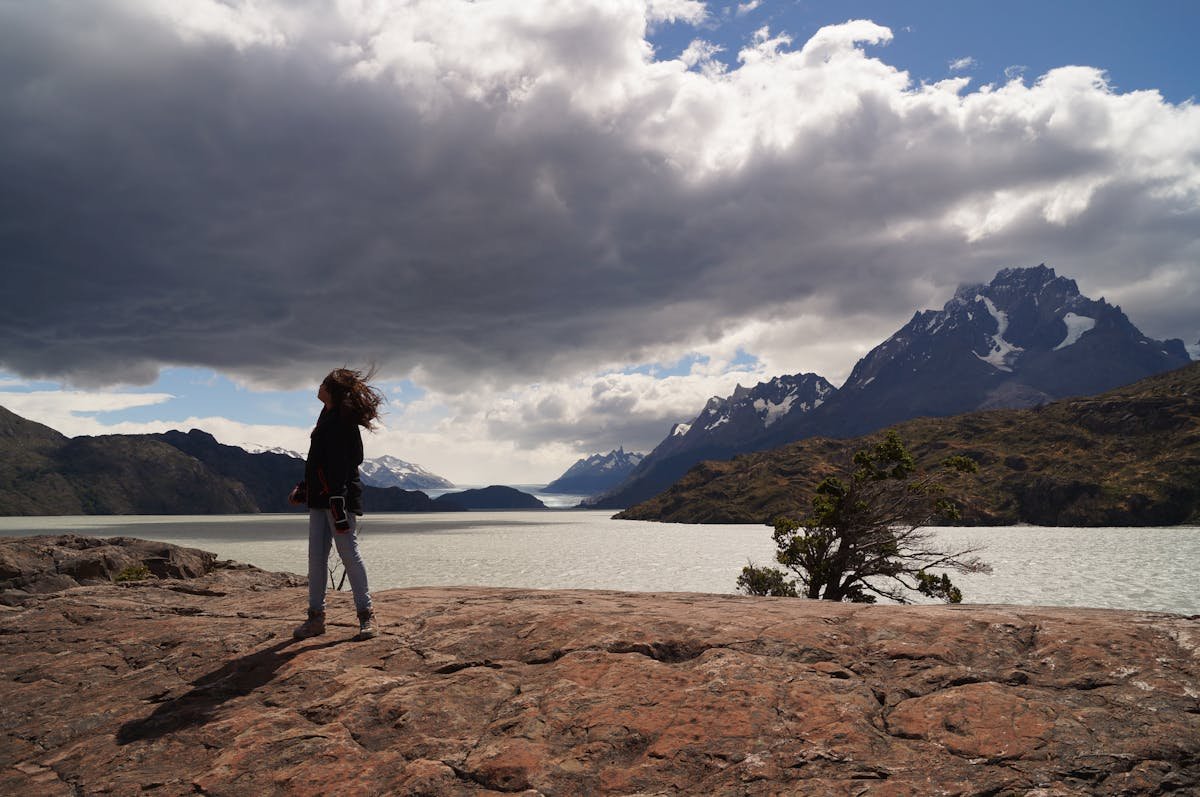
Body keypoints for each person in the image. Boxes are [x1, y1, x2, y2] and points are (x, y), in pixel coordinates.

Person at [290, 367, 384, 640]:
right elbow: (317, 462)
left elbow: (352, 460)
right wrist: (305, 488)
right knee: (316, 558)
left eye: (322, 383)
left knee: (349, 555)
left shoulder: (344, 421)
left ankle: (367, 616)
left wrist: (338, 499)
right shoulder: (326, 415)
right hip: (321, 498)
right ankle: (315, 619)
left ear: (330, 390)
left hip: (338, 500)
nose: (318, 387)